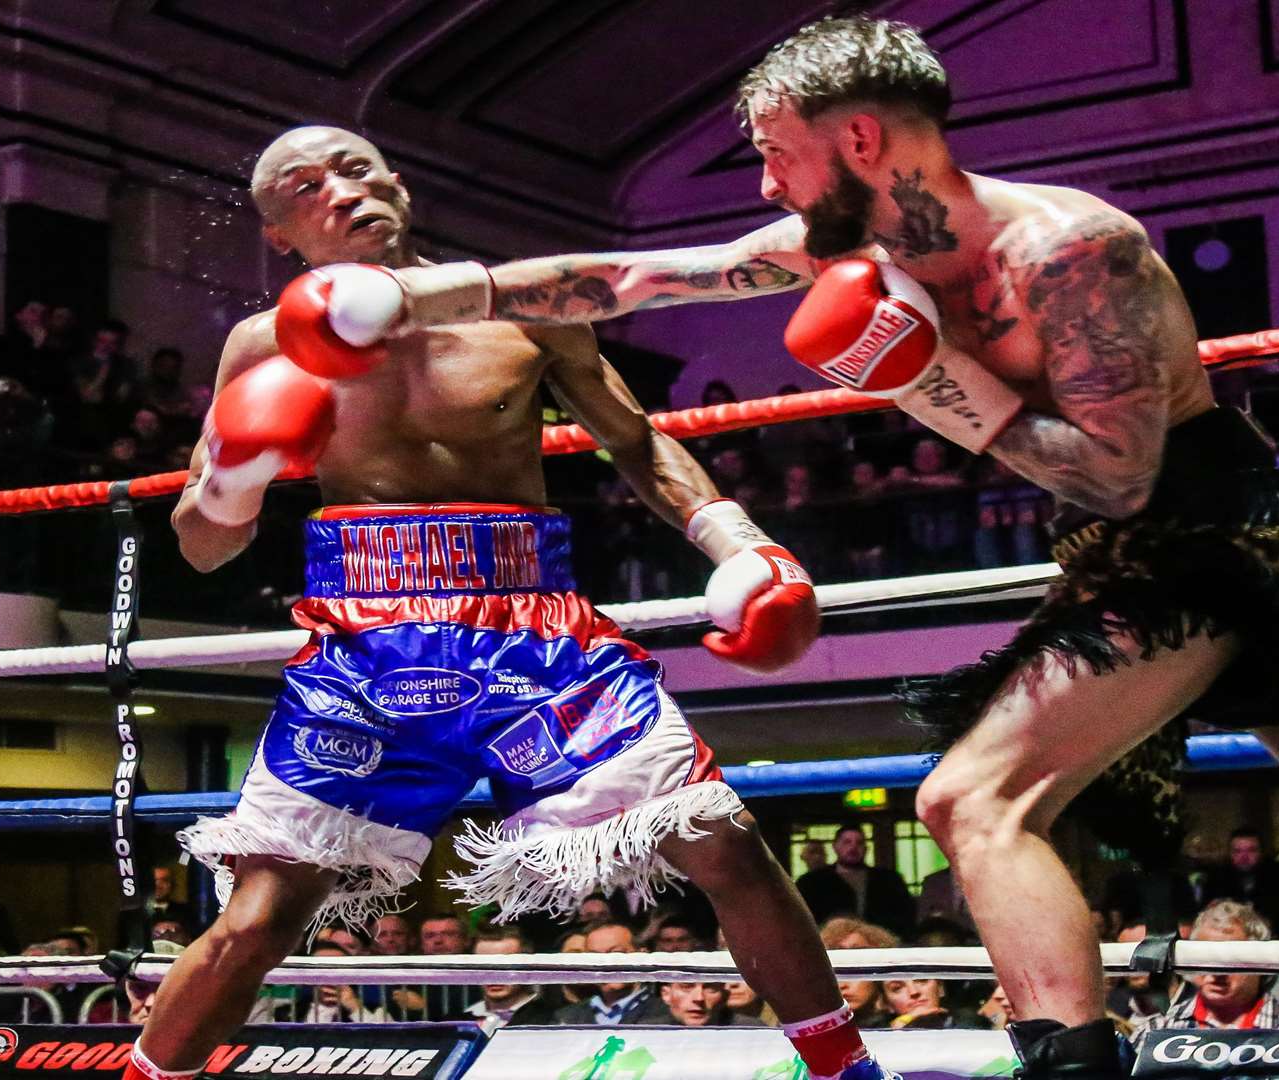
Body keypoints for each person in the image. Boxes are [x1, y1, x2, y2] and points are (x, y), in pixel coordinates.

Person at [274, 19, 1279, 1079]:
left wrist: (926, 386)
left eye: (776, 157)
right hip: (1128, 552)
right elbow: (639, 271)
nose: (766, 192)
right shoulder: (862, 246)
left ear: (857, 141)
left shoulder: (1070, 255)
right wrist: (419, 296)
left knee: (974, 800)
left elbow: (1122, 468)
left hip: (1203, 535)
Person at [125, 126, 894, 1080]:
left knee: (721, 840)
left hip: (533, 632)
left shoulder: (523, 306)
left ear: (397, 179)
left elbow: (636, 442)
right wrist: (234, 482)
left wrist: (736, 542)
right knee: (259, 917)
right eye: (306, 185)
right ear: (279, 234)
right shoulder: (261, 345)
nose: (342, 189)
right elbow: (201, 547)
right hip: (365, 648)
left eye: (358, 166)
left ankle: (848, 1073)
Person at [1131, 901, 1279, 1039]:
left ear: (1261, 959)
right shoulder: (1154, 1033)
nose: (1216, 972)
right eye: (1205, 956)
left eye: (1230, 958)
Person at [796, 825, 917, 938]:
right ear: (835, 846)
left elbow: (906, 916)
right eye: (847, 842)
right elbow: (802, 920)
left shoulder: (889, 880)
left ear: (866, 848)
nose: (853, 847)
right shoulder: (812, 882)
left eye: (859, 843)